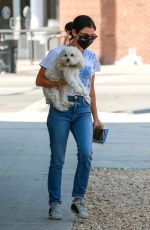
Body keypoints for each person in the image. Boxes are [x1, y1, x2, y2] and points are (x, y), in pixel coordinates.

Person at [36, 15, 104, 220]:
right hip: (60, 110)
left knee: (86, 153)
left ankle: (78, 200)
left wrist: (96, 117)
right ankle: (54, 204)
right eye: (85, 35)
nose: (89, 39)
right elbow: (39, 79)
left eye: (93, 36)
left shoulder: (91, 57)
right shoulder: (57, 53)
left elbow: (91, 90)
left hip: (82, 110)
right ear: (73, 32)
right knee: (58, 159)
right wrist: (58, 85)